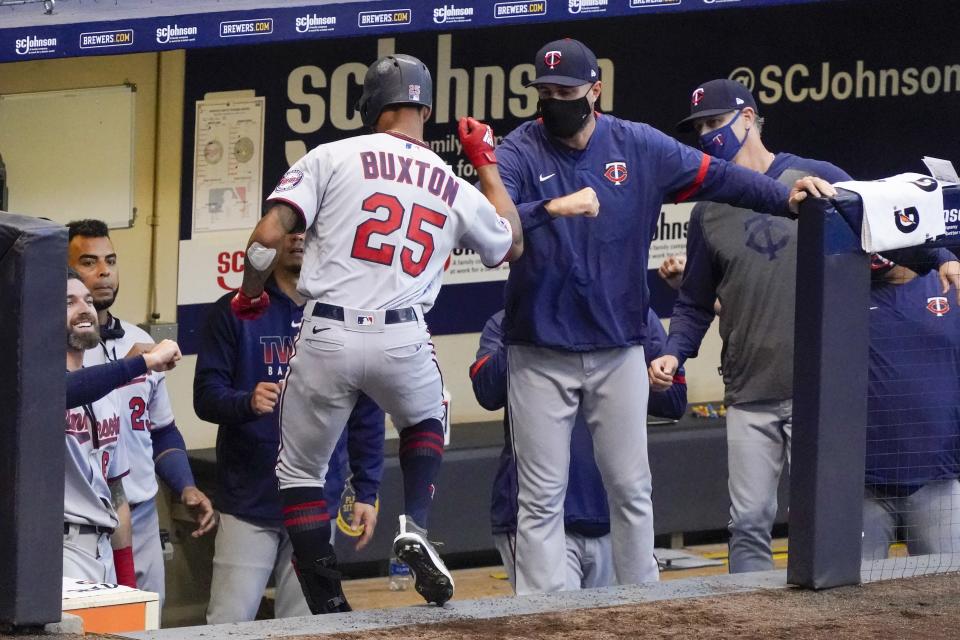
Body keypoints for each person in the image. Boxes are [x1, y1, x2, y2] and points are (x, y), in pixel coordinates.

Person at [481, 37, 833, 595]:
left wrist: (782, 197)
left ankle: (643, 605)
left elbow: (719, 178)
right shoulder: (522, 147)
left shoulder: (635, 144)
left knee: (630, 486)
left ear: (594, 91)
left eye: (565, 91)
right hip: (538, 347)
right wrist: (551, 207)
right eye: (544, 93)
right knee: (541, 494)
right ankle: (542, 615)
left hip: (619, 344)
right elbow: (495, 231)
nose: (553, 102)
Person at [230, 53, 530, 612]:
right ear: (426, 108)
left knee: (300, 470)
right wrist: (486, 165)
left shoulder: (331, 155)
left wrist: (250, 292)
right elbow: (511, 244)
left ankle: (326, 600)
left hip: (327, 333)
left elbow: (267, 236)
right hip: (403, 336)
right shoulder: (448, 179)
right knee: (427, 415)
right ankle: (415, 523)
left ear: (372, 106)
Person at [647, 79, 960, 573]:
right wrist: (674, 351)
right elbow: (694, 303)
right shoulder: (708, 210)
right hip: (750, 387)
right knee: (748, 521)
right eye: (700, 128)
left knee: (823, 517)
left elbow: (882, 226)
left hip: (820, 389)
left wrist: (941, 255)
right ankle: (755, 620)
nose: (707, 135)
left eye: (714, 122)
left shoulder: (815, 177)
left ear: (748, 118)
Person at [194, 230, 385, 623]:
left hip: (318, 502)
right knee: (228, 624)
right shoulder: (234, 311)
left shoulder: (347, 313)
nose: (299, 238)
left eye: (310, 229)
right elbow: (205, 396)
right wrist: (245, 402)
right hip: (250, 502)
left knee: (308, 627)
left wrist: (367, 489)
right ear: (270, 241)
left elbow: (366, 412)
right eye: (290, 230)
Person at [471, 308, 687, 591]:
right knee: (557, 626)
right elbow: (487, 391)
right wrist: (529, 322)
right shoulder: (508, 319)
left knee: (627, 623)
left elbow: (674, 400)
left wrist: (642, 375)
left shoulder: (630, 310)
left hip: (614, 520)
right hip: (541, 521)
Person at [67, 219, 215, 605]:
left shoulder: (139, 340)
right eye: (88, 262)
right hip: (77, 524)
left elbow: (162, 430)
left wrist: (186, 485)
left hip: (140, 512)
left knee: (147, 621)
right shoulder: (67, 351)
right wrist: (137, 365)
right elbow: (65, 391)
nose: (103, 273)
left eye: (110, 261)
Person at [64, 269, 182, 586]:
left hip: (102, 548)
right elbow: (64, 390)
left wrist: (126, 581)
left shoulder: (107, 393)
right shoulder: (31, 381)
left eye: (87, 300)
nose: (84, 308)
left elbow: (116, 495)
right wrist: (143, 363)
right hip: (58, 547)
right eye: (69, 302)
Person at [862, 260, 960, 562]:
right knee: (846, 601)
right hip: (859, 484)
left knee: (946, 594)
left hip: (937, 480)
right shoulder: (837, 294)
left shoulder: (951, 286)